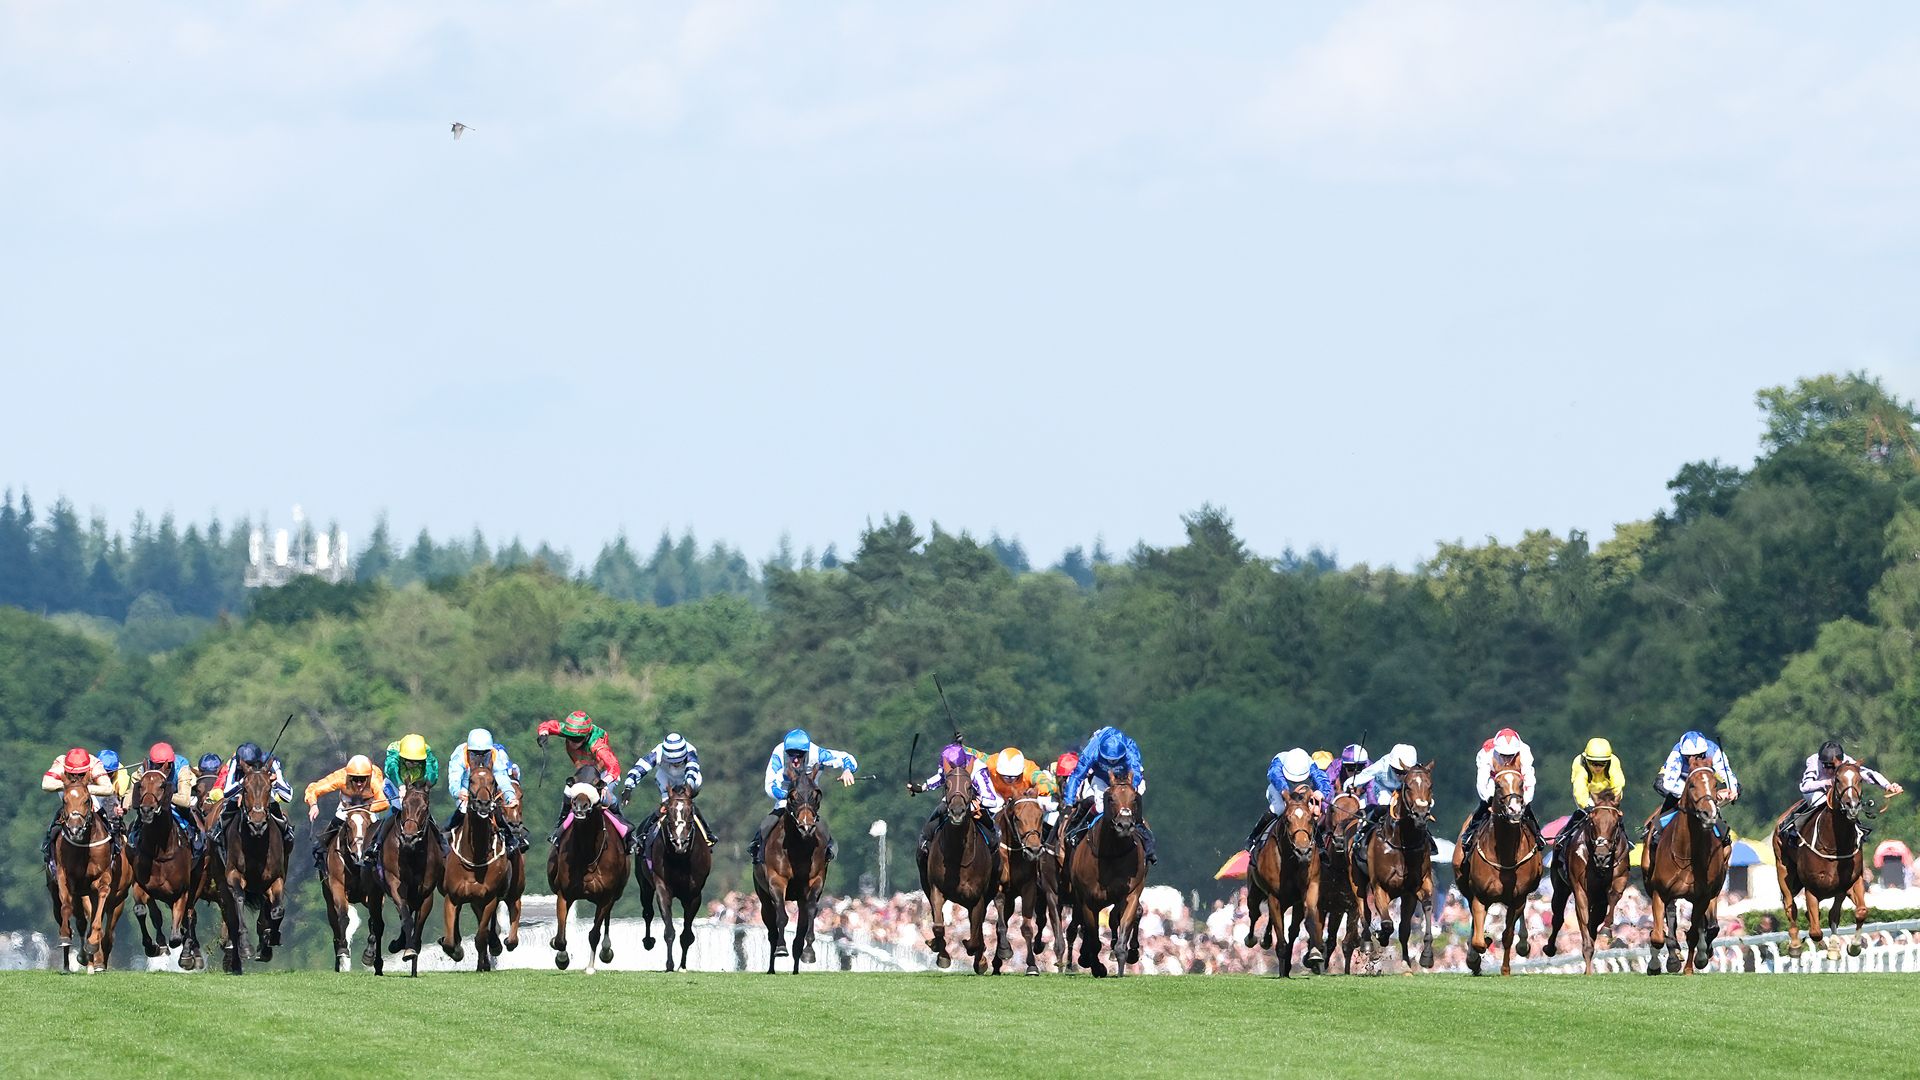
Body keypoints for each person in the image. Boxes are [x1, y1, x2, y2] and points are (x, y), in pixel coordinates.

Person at [751, 728, 857, 864]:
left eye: (800, 755)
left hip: (808, 804)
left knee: (823, 830)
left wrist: (847, 770)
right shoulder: (778, 753)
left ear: (806, 752)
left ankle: (827, 853)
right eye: (791, 754)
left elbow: (847, 758)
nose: (795, 760)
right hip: (785, 802)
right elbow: (770, 785)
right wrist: (790, 796)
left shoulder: (816, 753)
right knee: (766, 825)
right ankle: (757, 851)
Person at [1778, 739, 1903, 846]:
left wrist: (1888, 785)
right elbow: (1805, 786)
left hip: (1836, 791)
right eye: (1826, 766)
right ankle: (1795, 828)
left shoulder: (1847, 762)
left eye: (1834, 767)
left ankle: (1858, 829)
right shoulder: (1814, 761)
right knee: (1821, 800)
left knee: (1850, 802)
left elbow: (1868, 774)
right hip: (1816, 791)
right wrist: (1826, 783)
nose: (1830, 770)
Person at [1061, 725, 1155, 863]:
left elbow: (1135, 771)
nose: (1111, 762)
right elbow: (1076, 776)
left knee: (1133, 798)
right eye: (1108, 759)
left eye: (1115, 759)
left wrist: (1125, 791)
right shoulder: (1092, 750)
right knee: (1100, 807)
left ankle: (1144, 834)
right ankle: (1078, 828)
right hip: (1102, 778)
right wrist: (1069, 801)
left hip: (1127, 780)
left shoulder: (1129, 747)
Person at [535, 711, 632, 844]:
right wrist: (543, 734)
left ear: (586, 737)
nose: (572, 742)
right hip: (584, 772)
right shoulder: (569, 731)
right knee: (568, 793)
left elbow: (614, 767)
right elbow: (547, 725)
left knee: (605, 797)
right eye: (569, 737)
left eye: (577, 739)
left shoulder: (597, 745)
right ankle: (558, 830)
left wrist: (603, 783)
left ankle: (625, 832)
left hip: (604, 774)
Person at [906, 738, 1002, 855]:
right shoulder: (949, 767)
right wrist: (922, 787)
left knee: (991, 832)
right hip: (954, 802)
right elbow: (941, 777)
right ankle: (925, 841)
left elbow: (991, 801)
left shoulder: (978, 770)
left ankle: (994, 848)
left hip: (975, 804)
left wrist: (973, 804)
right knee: (936, 814)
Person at [622, 731, 715, 849]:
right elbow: (640, 768)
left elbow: (692, 770)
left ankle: (708, 833)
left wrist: (687, 788)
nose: (675, 765)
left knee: (686, 805)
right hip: (666, 778)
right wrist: (629, 786)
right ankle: (644, 834)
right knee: (666, 806)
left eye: (678, 762)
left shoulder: (690, 751)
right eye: (672, 763)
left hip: (688, 779)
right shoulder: (658, 752)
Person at [1459, 728, 1542, 856]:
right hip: (1495, 782)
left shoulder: (1525, 751)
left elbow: (1529, 778)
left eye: (1511, 755)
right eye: (1504, 755)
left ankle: (1537, 835)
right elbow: (1482, 781)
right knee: (1483, 807)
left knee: (1527, 810)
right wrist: (1488, 799)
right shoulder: (1486, 753)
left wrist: (1526, 800)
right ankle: (1470, 834)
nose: (1507, 759)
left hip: (1516, 783)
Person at [446, 727, 529, 854]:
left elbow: (501, 776)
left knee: (496, 810)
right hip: (467, 790)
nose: (480, 757)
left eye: (484, 754)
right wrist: (457, 792)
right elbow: (454, 777)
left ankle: (510, 839)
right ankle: (446, 835)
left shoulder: (494, 754)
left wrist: (510, 796)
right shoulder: (460, 754)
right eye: (475, 753)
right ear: (469, 751)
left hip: (488, 792)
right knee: (463, 809)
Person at [1648, 731, 1738, 846]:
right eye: (1689, 757)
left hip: (1703, 785)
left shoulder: (1714, 751)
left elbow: (1727, 774)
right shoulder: (1677, 753)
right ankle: (1655, 835)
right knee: (1657, 831)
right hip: (1679, 784)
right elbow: (1668, 784)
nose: (1694, 760)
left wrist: (1733, 790)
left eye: (1700, 755)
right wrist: (1691, 795)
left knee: (1722, 833)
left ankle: (1723, 842)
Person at [304, 755, 390, 872]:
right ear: (349, 777)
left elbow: (384, 802)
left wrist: (366, 809)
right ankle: (324, 866)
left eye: (363, 779)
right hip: (347, 804)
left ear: (369, 777)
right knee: (323, 841)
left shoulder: (375, 779)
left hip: (369, 806)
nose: (359, 783)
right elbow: (313, 789)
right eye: (355, 779)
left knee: (380, 835)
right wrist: (313, 805)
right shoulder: (340, 777)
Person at [1342, 742, 1434, 852]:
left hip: (1402, 790)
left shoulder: (1416, 771)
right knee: (1385, 805)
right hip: (1383, 787)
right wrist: (1350, 784)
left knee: (1418, 809)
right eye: (1396, 771)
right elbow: (1365, 775)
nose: (1399, 775)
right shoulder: (1382, 765)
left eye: (1403, 772)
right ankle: (1363, 832)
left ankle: (1428, 838)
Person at [123, 742, 203, 856]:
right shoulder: (144, 769)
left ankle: (196, 844)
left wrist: (164, 797)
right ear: (151, 763)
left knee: (191, 823)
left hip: (175, 803)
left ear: (171, 763)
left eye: (166, 765)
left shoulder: (182, 767)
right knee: (135, 826)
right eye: (156, 765)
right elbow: (132, 792)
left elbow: (185, 800)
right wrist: (124, 806)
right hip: (151, 805)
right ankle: (132, 842)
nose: (162, 768)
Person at [210, 741, 295, 848]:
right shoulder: (235, 761)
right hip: (242, 793)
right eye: (245, 766)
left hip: (265, 794)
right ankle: (219, 830)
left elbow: (288, 796)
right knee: (230, 803)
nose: (248, 769)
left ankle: (286, 831)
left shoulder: (271, 762)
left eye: (251, 765)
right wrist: (243, 782)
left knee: (273, 803)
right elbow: (227, 792)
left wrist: (272, 782)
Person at [40, 747, 116, 865]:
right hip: (68, 795)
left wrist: (82, 789)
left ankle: (114, 847)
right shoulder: (61, 761)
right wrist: (72, 787)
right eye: (72, 774)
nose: (76, 776)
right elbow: (46, 784)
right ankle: (48, 847)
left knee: (103, 817)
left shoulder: (94, 763)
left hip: (88, 797)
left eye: (81, 774)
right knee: (58, 820)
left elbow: (108, 788)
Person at [1246, 747, 1329, 852]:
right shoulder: (1278, 761)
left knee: (1306, 812)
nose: (1294, 781)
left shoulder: (1310, 764)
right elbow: (1274, 776)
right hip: (1278, 789)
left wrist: (1321, 792)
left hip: (1299, 792)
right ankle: (1253, 837)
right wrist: (1285, 792)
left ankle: (1319, 844)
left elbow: (1321, 779)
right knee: (1279, 808)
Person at [985, 748, 1061, 827]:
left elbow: (1050, 785)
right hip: (996, 797)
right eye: (1005, 776)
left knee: (1050, 804)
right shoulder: (990, 762)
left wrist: (1036, 790)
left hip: (1022, 800)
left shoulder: (1030, 770)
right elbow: (973, 754)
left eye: (1014, 776)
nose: (1009, 779)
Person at [1567, 737, 1626, 835]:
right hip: (1588, 795)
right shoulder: (1580, 763)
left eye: (1602, 764)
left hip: (1607, 796)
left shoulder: (1614, 761)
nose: (1598, 767)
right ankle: (1563, 840)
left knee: (1616, 819)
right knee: (1579, 816)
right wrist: (1586, 806)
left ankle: (1626, 840)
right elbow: (1579, 788)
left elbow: (1618, 785)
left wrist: (1614, 803)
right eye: (1594, 763)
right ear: (1587, 760)